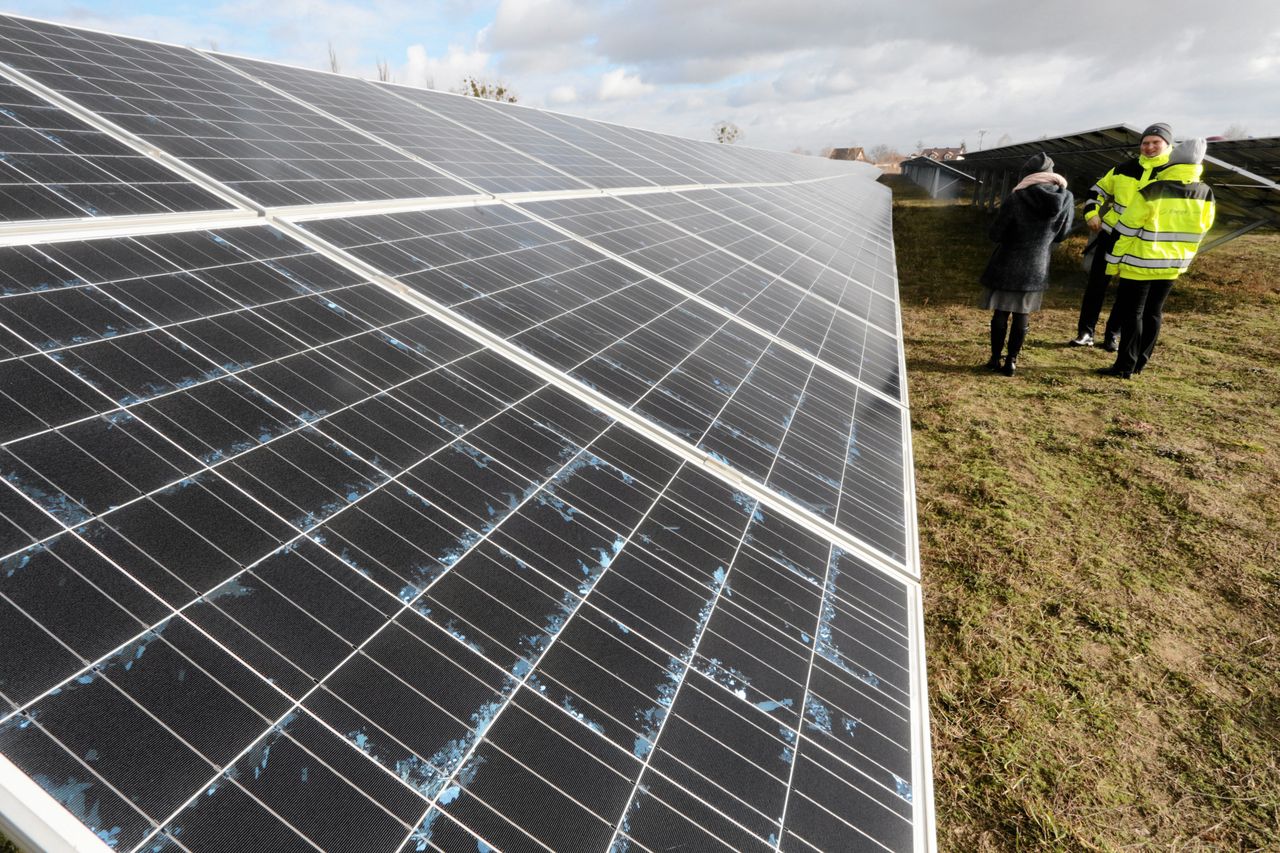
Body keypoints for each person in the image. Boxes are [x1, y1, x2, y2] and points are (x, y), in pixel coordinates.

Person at [1098, 137, 1215, 378]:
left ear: (1172, 160)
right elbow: (1202, 230)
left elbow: (1127, 229)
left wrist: (1113, 262)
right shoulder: (1205, 194)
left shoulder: (1152, 190)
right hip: (1173, 265)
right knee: (1154, 313)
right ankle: (1141, 362)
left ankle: (1124, 366)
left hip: (1139, 263)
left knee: (1134, 314)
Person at [1070, 122, 1174, 350]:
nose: (1149, 147)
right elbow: (1097, 190)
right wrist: (1091, 213)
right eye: (1145, 143)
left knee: (1128, 291)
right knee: (1096, 285)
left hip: (1141, 242)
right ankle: (1086, 332)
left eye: (1156, 142)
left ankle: (1112, 335)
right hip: (1111, 235)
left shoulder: (1173, 173)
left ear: (1168, 144)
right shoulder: (1123, 168)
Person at [979, 152, 1075, 376]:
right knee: (1023, 314)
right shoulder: (1067, 197)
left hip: (1008, 261)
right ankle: (1012, 361)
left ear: (1028, 174)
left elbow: (996, 233)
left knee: (1001, 313)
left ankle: (994, 359)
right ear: (1051, 173)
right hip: (1037, 264)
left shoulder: (1018, 196)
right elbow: (1062, 235)